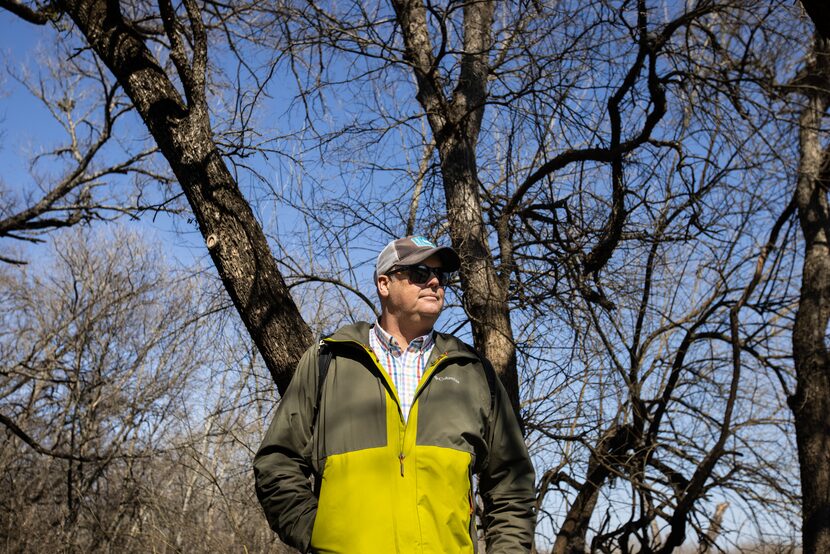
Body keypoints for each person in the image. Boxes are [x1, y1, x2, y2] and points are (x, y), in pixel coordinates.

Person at [254, 235, 536, 553]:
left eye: (440, 276)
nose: (433, 282)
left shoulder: (473, 372)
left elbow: (511, 482)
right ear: (384, 284)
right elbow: (277, 461)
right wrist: (318, 533)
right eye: (419, 273)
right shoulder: (329, 361)